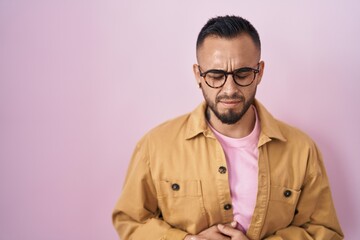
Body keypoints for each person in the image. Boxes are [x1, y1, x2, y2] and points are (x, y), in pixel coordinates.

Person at [112, 15, 343, 240]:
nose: (230, 89)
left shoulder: (301, 150)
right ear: (198, 75)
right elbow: (131, 221)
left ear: (260, 72)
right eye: (216, 75)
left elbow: (324, 231)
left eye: (243, 73)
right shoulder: (155, 147)